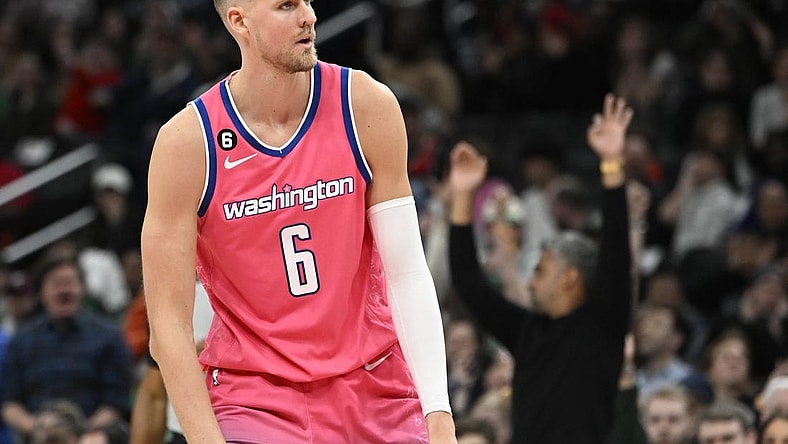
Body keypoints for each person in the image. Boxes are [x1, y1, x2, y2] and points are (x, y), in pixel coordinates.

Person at [139, 1, 455, 443]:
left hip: (373, 386)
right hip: (253, 397)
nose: (309, 15)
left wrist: (439, 414)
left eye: (306, 1)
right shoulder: (187, 145)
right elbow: (168, 326)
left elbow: (407, 275)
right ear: (239, 21)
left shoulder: (366, 105)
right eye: (286, 5)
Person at [447, 94, 634, 443]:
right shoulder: (527, 331)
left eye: (541, 271)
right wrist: (462, 196)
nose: (531, 282)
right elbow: (469, 283)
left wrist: (612, 164)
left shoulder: (603, 323)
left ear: (570, 278)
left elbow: (616, 255)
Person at [0, 257, 132, 441]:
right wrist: (37, 427)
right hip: (37, 432)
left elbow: (116, 401)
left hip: (92, 432)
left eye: (70, 282)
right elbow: (9, 404)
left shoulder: (109, 336)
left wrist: (79, 433)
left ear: (82, 289)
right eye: (55, 284)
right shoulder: (21, 340)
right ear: (41, 292)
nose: (64, 290)